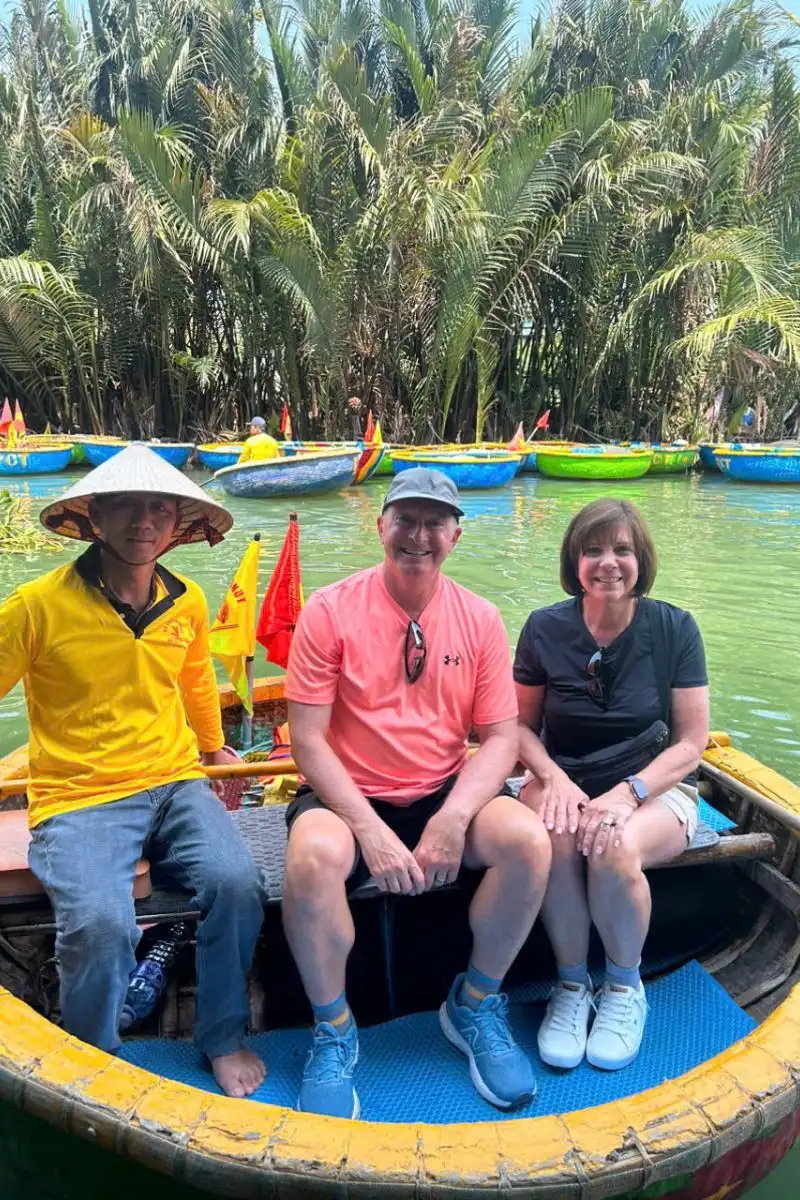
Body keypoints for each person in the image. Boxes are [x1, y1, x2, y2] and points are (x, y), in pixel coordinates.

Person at [283, 468, 551, 1120]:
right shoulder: (329, 610)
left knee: (527, 842)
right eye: (406, 519)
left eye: (434, 523)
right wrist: (370, 830)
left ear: (455, 536)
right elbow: (308, 740)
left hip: (441, 788)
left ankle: (476, 1004)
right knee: (313, 855)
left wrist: (456, 815)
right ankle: (334, 1028)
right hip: (348, 795)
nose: (419, 536)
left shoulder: (480, 619)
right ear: (382, 527)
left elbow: (498, 738)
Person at [0, 445, 266, 1098]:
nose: (143, 522)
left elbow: (198, 681)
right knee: (101, 923)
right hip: (79, 796)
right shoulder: (37, 606)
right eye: (126, 506)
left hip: (174, 782)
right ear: (95, 517)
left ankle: (222, 1035)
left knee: (238, 883)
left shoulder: (188, 601)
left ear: (177, 523)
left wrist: (213, 750)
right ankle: (96, 1059)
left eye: (159, 508)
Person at [514, 499, 709, 1073]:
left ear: (640, 559)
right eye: (593, 549)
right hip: (561, 777)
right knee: (554, 838)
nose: (608, 563)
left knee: (613, 843)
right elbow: (517, 730)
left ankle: (624, 989)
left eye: (622, 549)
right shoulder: (544, 628)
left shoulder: (675, 628)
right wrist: (553, 779)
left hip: (653, 786)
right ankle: (572, 987)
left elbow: (691, 743)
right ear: (574, 560)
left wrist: (628, 794)